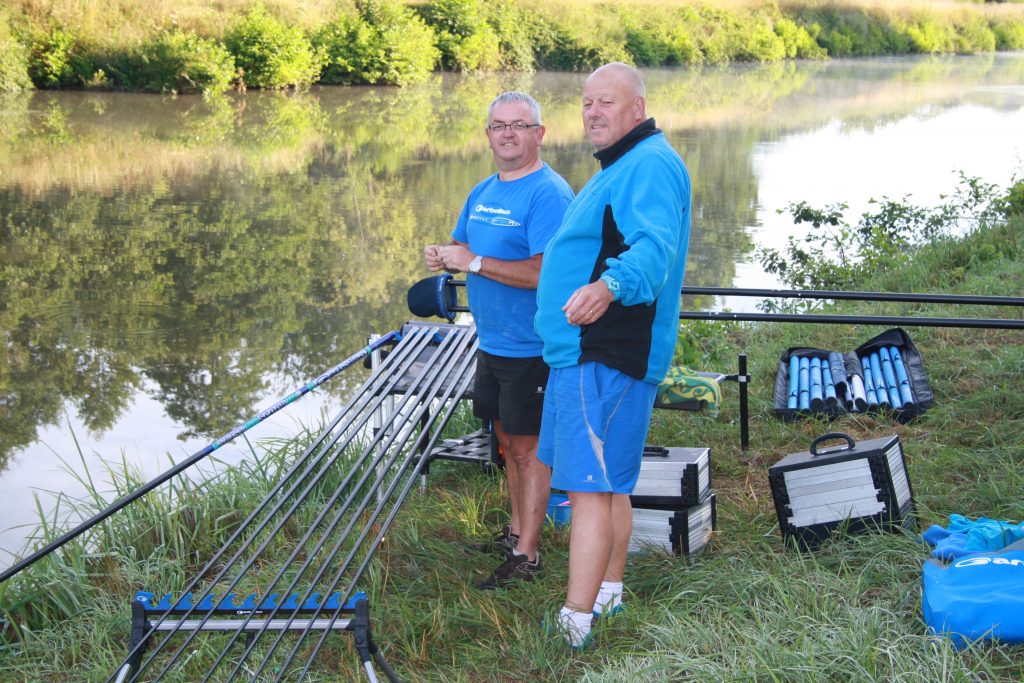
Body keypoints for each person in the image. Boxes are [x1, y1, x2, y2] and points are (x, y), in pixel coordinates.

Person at [534, 63, 692, 648]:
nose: (594, 112)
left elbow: (653, 249)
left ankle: (575, 621)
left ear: (637, 107)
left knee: (587, 488)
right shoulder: (629, 164)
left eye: (606, 102)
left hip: (602, 350)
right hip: (600, 352)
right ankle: (608, 592)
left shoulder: (647, 164)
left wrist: (607, 287)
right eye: (586, 102)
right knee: (611, 485)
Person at [423, 91, 573, 589]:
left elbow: (549, 274)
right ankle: (515, 533)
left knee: (529, 451)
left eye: (519, 125)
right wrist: (447, 253)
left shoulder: (549, 194)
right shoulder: (484, 190)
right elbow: (466, 245)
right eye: (498, 125)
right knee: (507, 443)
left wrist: (476, 264)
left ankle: (528, 557)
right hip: (492, 344)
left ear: (539, 134)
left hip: (534, 348)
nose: (508, 134)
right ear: (487, 134)